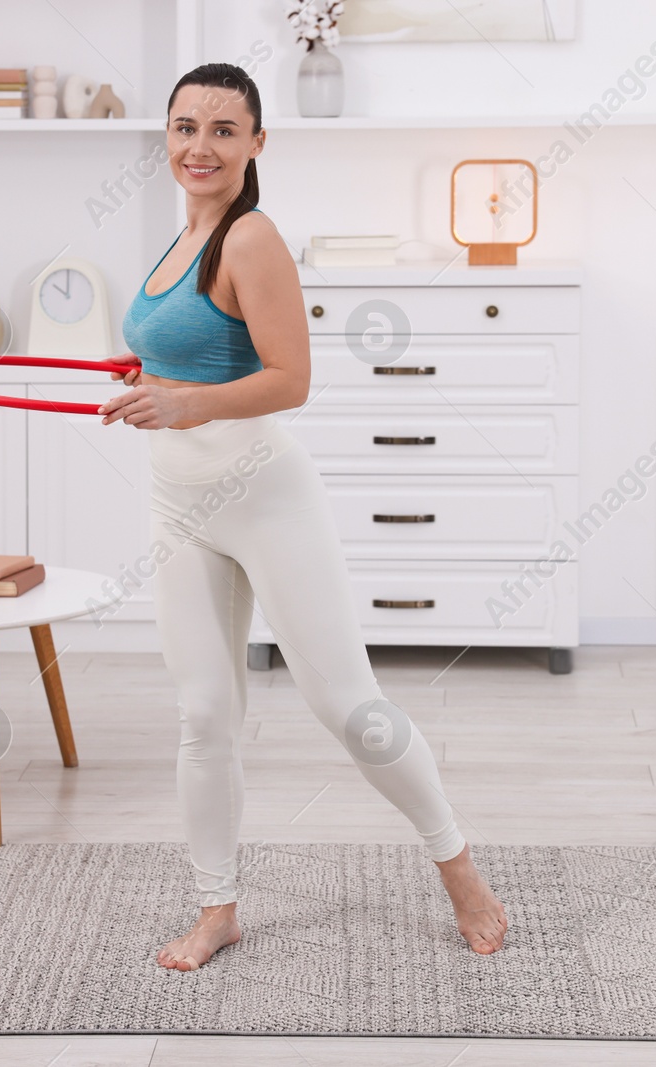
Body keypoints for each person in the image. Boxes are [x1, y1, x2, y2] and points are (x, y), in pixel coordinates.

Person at [95, 63, 508, 972]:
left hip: (261, 493)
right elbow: (188, 357)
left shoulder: (252, 240)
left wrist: (185, 404)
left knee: (348, 706)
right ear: (165, 136)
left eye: (222, 130)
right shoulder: (177, 240)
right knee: (203, 712)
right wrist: (147, 381)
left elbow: (292, 379)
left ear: (255, 144)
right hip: (178, 499)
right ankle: (217, 909)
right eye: (184, 127)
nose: (199, 147)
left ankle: (460, 869)